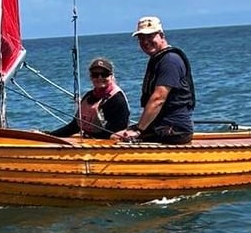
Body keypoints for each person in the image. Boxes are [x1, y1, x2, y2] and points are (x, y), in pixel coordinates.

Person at [113, 15, 195, 145]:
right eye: (141, 38)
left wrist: (139, 130)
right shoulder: (158, 59)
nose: (145, 42)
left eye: (150, 36)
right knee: (115, 136)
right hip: (159, 125)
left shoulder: (170, 61)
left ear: (161, 35)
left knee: (118, 140)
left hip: (174, 129)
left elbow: (158, 99)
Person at [51, 57, 130, 138]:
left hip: (111, 144)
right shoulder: (88, 96)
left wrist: (90, 136)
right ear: (91, 77)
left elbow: (117, 129)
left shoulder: (117, 99)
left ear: (111, 76)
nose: (100, 78)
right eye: (95, 75)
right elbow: (74, 126)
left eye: (104, 74)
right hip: (90, 140)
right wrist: (50, 135)